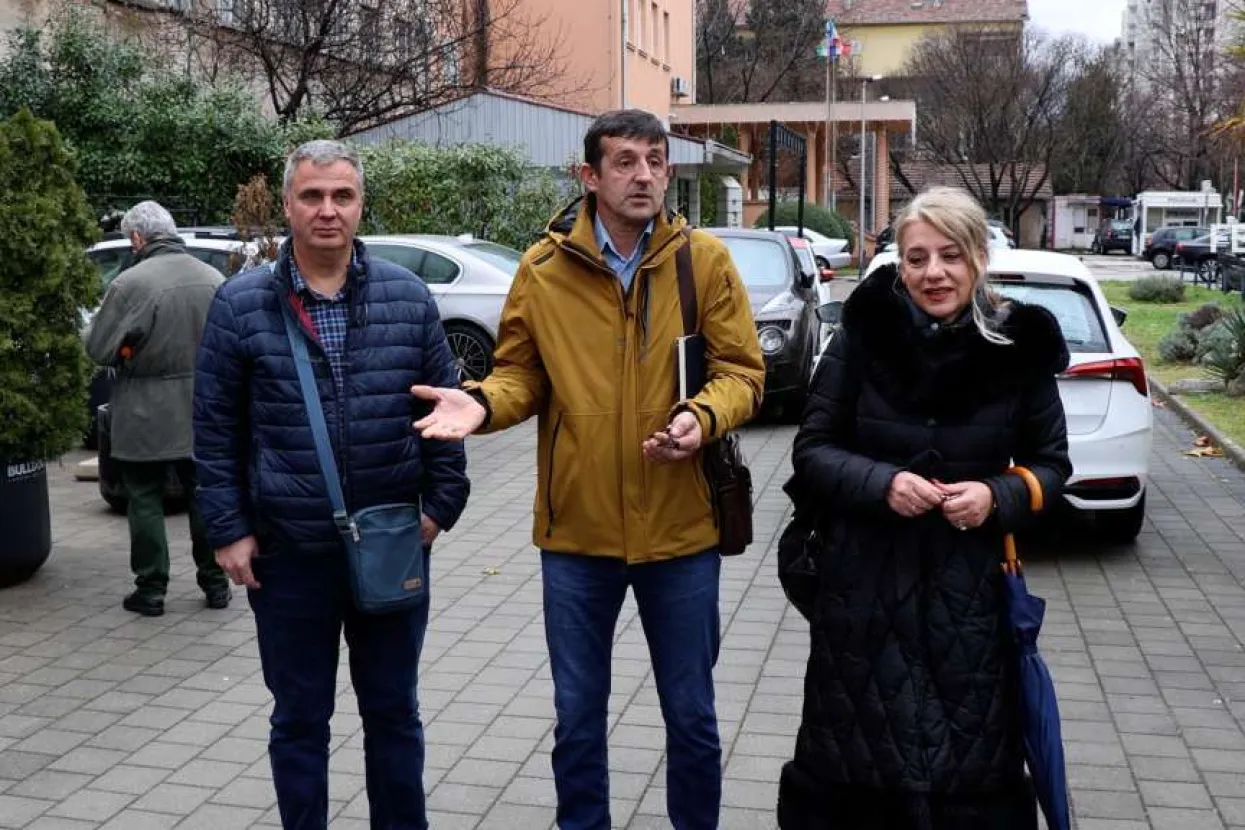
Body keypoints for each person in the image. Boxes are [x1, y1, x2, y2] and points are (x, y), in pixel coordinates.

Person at [410, 109, 765, 830]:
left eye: (655, 161)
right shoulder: (542, 271)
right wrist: (483, 403)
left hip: (681, 531)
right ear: (589, 175)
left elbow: (743, 372)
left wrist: (701, 418)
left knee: (692, 717)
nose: (644, 176)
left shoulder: (703, 262)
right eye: (625, 161)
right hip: (577, 535)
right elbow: (520, 375)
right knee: (577, 719)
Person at [193, 140, 469, 830]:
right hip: (287, 555)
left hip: (391, 544)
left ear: (360, 205)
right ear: (288, 206)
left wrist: (440, 508)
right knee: (298, 720)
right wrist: (228, 529)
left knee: (394, 714)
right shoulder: (241, 304)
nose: (327, 210)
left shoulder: (407, 297)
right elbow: (215, 429)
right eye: (311, 196)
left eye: (341, 196)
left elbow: (443, 410)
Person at [777, 185, 1071, 829]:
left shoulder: (1018, 347)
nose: (933, 272)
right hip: (862, 595)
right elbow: (813, 451)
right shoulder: (862, 337)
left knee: (966, 775)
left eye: (950, 255)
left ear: (978, 258)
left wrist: (996, 495)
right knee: (857, 771)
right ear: (900, 265)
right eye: (917, 258)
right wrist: (883, 484)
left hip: (969, 602)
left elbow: (1053, 466)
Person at [85, 201, 231, 617]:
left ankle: (151, 589)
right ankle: (216, 582)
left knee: (144, 497)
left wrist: (127, 351)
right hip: (205, 407)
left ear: (137, 238)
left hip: (144, 409)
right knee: (204, 496)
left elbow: (98, 347)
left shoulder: (130, 284)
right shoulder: (213, 278)